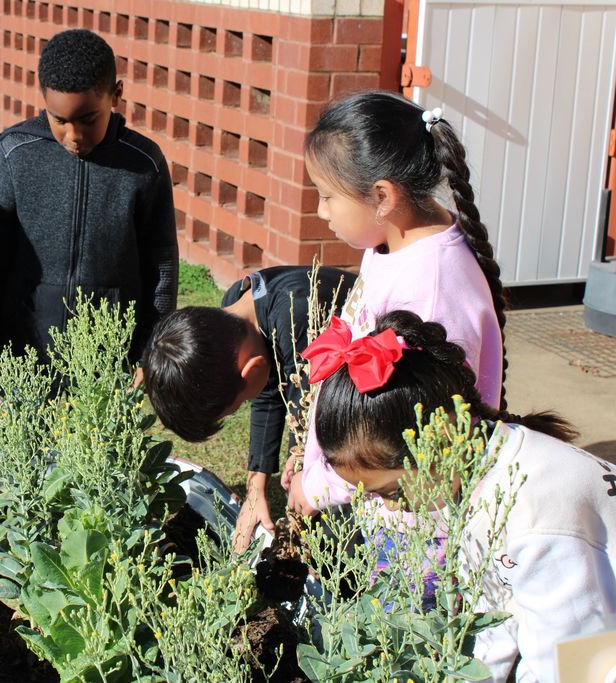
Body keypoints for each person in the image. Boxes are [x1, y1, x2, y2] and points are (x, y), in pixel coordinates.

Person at [310, 309, 598, 683]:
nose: (393, 507)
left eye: (393, 491)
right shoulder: (484, 473)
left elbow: (574, 660)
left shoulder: (535, 513)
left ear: (442, 437)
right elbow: (498, 611)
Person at [285, 90, 507, 518]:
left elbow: (391, 431)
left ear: (382, 197)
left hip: (415, 523)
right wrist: (315, 452)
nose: (320, 210)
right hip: (371, 492)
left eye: (327, 195)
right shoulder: (392, 242)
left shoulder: (431, 289)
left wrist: (318, 485)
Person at [0, 28, 178, 381]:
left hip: (109, 364)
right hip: (22, 357)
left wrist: (151, 351)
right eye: (59, 120)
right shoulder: (16, 155)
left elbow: (161, 266)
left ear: (116, 95)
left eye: (88, 119)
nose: (73, 136)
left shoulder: (144, 164)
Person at [141, 266, 356, 549]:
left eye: (239, 403)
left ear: (251, 370)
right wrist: (256, 488)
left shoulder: (300, 321)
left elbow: (311, 429)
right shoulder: (237, 311)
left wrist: (302, 469)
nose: (247, 403)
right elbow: (268, 388)